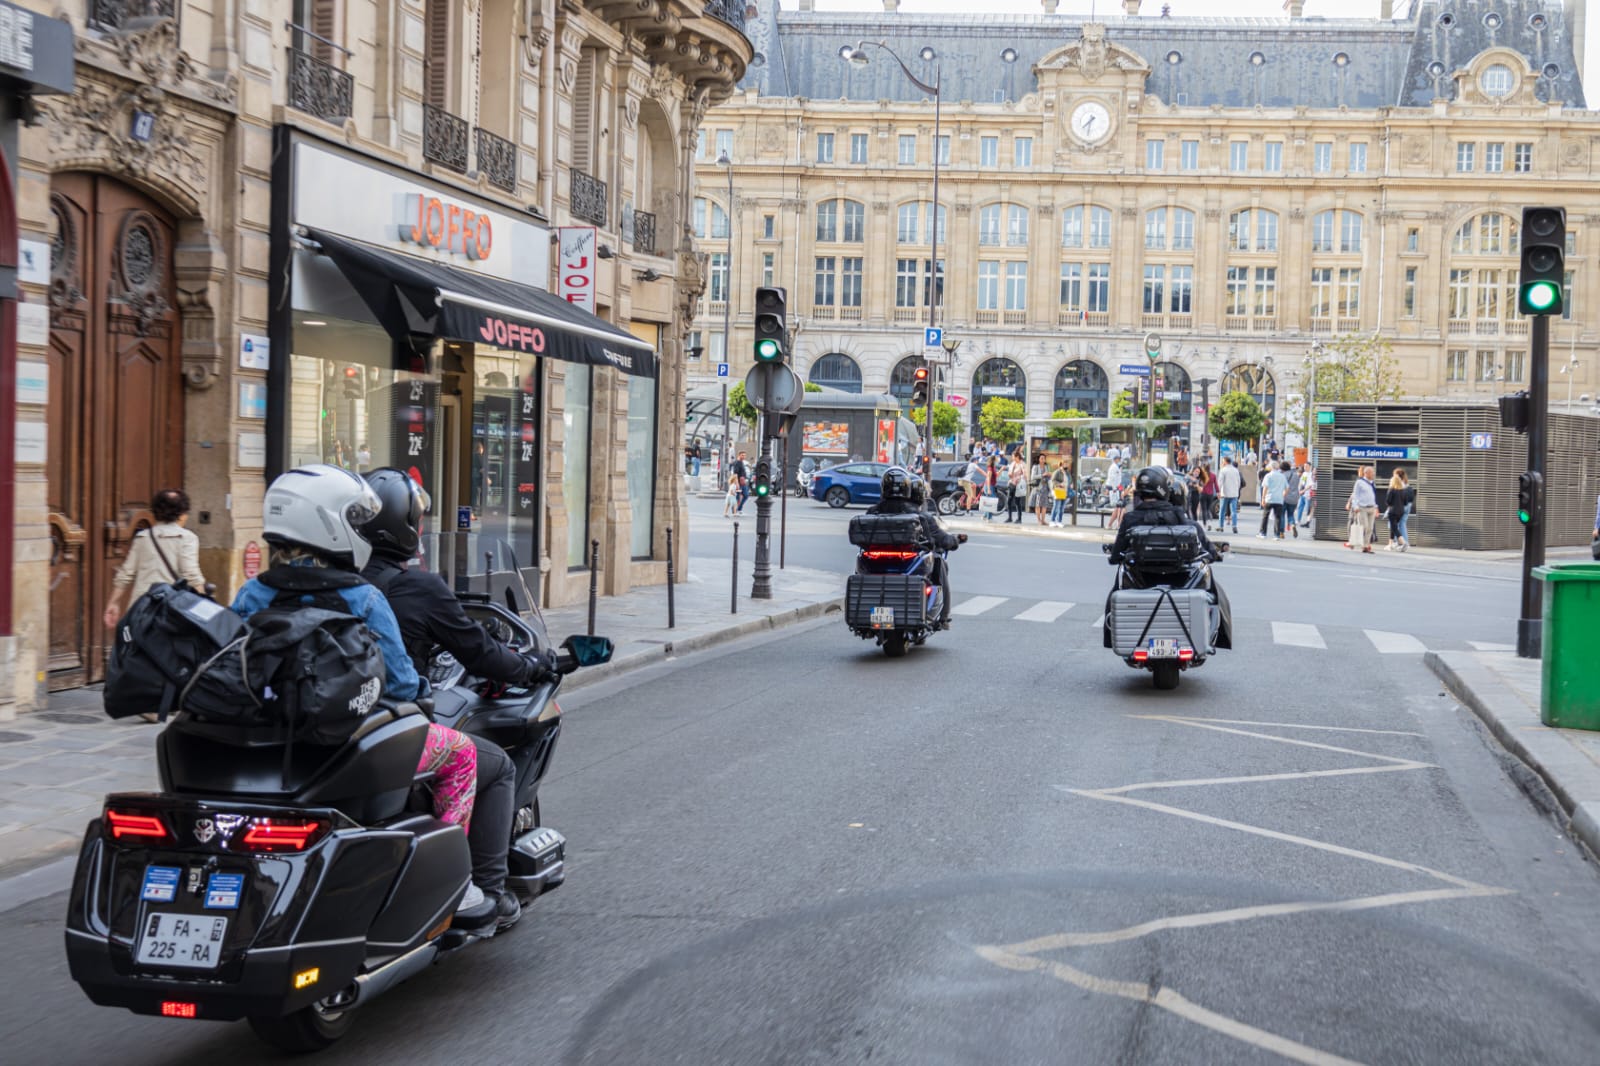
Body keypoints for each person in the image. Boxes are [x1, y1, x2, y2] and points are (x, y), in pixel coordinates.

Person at [229, 465, 487, 918]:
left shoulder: (253, 593)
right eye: (353, 518)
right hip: (347, 745)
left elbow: (230, 660)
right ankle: (453, 880)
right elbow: (404, 683)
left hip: (269, 742)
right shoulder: (362, 597)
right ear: (330, 525)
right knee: (463, 753)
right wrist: (427, 691)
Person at [359, 469, 561, 932]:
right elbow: (480, 652)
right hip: (387, 729)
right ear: (405, 525)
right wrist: (531, 666)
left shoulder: (333, 584)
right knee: (492, 765)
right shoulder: (410, 588)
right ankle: (482, 889)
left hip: (328, 728)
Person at [1106, 466, 1232, 648]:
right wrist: (1213, 554)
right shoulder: (1179, 516)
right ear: (1164, 488)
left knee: (1115, 593)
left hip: (1142, 577)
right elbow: (1204, 545)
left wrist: (1114, 558)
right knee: (1214, 592)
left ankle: (1110, 634)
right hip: (1179, 577)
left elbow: (1117, 553)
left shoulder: (1131, 518)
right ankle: (1218, 637)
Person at [865, 467, 960, 625]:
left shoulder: (872, 513)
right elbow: (941, 539)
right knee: (938, 562)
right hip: (907, 560)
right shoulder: (920, 517)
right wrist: (955, 541)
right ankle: (944, 616)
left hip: (875, 559)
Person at [103, 488, 208, 630]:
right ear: (182, 515)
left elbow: (126, 573)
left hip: (140, 609)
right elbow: (192, 575)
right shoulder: (187, 538)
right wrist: (204, 607)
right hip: (171, 612)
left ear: (155, 512)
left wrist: (113, 602)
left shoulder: (143, 538)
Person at [1345, 465, 1378, 553]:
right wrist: (1355, 506)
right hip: (1362, 508)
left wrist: (1376, 507)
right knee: (1365, 526)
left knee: (1370, 528)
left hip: (1372, 508)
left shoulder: (1372, 483)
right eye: (1372, 472)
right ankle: (1353, 542)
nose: (1374, 474)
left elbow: (1373, 495)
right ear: (1366, 473)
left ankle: (1366, 546)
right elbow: (1355, 495)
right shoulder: (1359, 482)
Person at [1383, 470, 1409, 552]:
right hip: (1400, 512)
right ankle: (1390, 545)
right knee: (1393, 527)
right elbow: (1405, 502)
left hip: (1392, 511)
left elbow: (1388, 501)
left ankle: (1403, 543)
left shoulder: (1391, 490)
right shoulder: (1403, 491)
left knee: (1394, 528)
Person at [1216, 456, 1242, 534]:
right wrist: (1236, 490)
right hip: (1234, 494)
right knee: (1234, 511)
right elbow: (1239, 482)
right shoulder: (1236, 470)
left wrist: (1218, 492)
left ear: (1225, 462)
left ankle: (1221, 526)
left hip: (1225, 493)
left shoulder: (1223, 470)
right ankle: (1234, 526)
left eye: (1223, 461)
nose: (1222, 463)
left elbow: (1220, 482)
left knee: (1222, 511)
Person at [1279, 461, 1301, 540]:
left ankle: (1281, 532)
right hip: (1294, 498)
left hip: (1284, 497)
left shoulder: (1282, 476)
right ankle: (1292, 525)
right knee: (1291, 514)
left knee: (1281, 514)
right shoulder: (1296, 475)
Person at [1005, 452, 1028, 524]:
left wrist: (1020, 478)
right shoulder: (1012, 464)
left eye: (1013, 456)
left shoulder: (1022, 464)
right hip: (1012, 483)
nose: (1012, 458)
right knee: (1009, 501)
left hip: (1018, 484)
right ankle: (1009, 517)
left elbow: (1025, 475)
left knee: (1017, 502)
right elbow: (1009, 472)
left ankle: (1019, 518)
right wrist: (1010, 474)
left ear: (1017, 456)